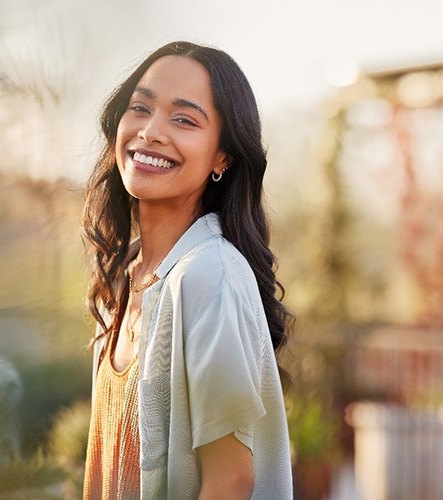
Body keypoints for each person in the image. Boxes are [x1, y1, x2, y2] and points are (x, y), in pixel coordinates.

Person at [82, 41, 293, 500]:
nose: (151, 132)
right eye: (140, 108)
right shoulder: (124, 278)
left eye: (184, 119)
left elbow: (231, 481)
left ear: (223, 157)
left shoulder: (207, 275)